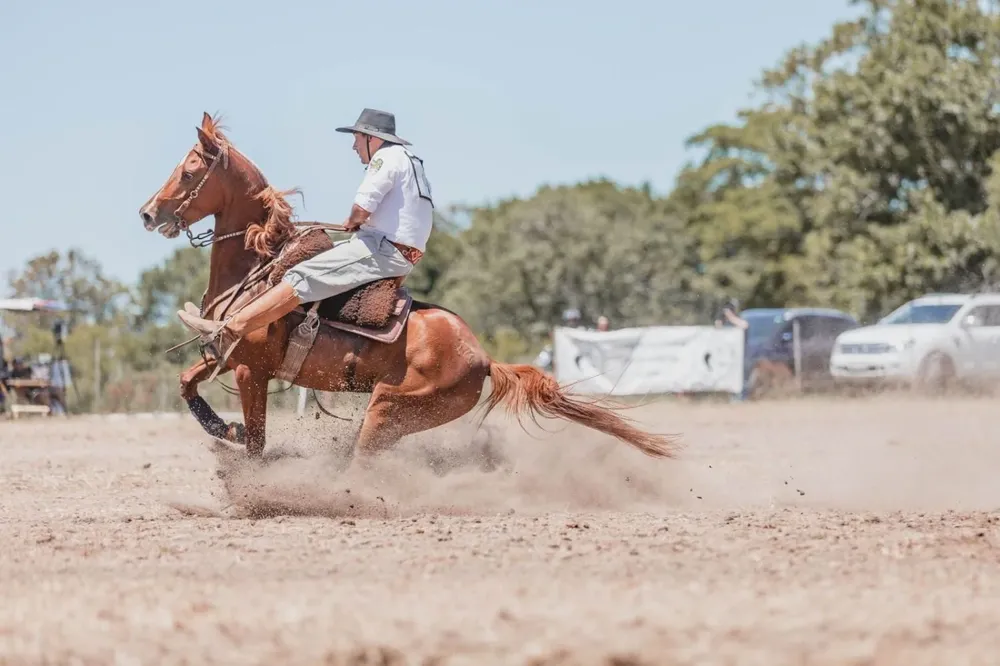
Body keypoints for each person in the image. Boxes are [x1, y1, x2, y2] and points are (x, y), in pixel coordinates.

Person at [176, 108, 433, 353]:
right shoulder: (408, 160)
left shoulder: (385, 158)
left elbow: (364, 204)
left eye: (357, 138)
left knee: (302, 275)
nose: (354, 146)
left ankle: (228, 330)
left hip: (384, 248)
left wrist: (354, 219)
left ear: (371, 138)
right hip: (394, 246)